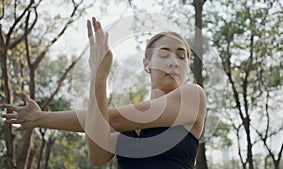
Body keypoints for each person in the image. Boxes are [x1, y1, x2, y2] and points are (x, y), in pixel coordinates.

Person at [0, 17, 206, 169]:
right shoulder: (128, 126)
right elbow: (97, 154)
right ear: (146, 64)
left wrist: (42, 118)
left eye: (182, 56)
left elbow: (111, 119)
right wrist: (97, 80)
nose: (173, 62)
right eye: (164, 54)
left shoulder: (193, 96)